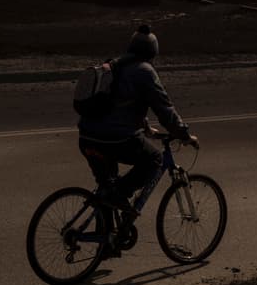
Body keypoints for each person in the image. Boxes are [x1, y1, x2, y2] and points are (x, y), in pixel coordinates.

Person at [78, 24, 198, 216]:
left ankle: (107, 240)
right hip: (114, 140)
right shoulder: (145, 71)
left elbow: (121, 104)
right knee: (155, 159)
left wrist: (146, 128)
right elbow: (164, 108)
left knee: (107, 187)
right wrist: (183, 134)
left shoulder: (115, 65)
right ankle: (118, 194)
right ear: (152, 52)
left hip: (87, 137)